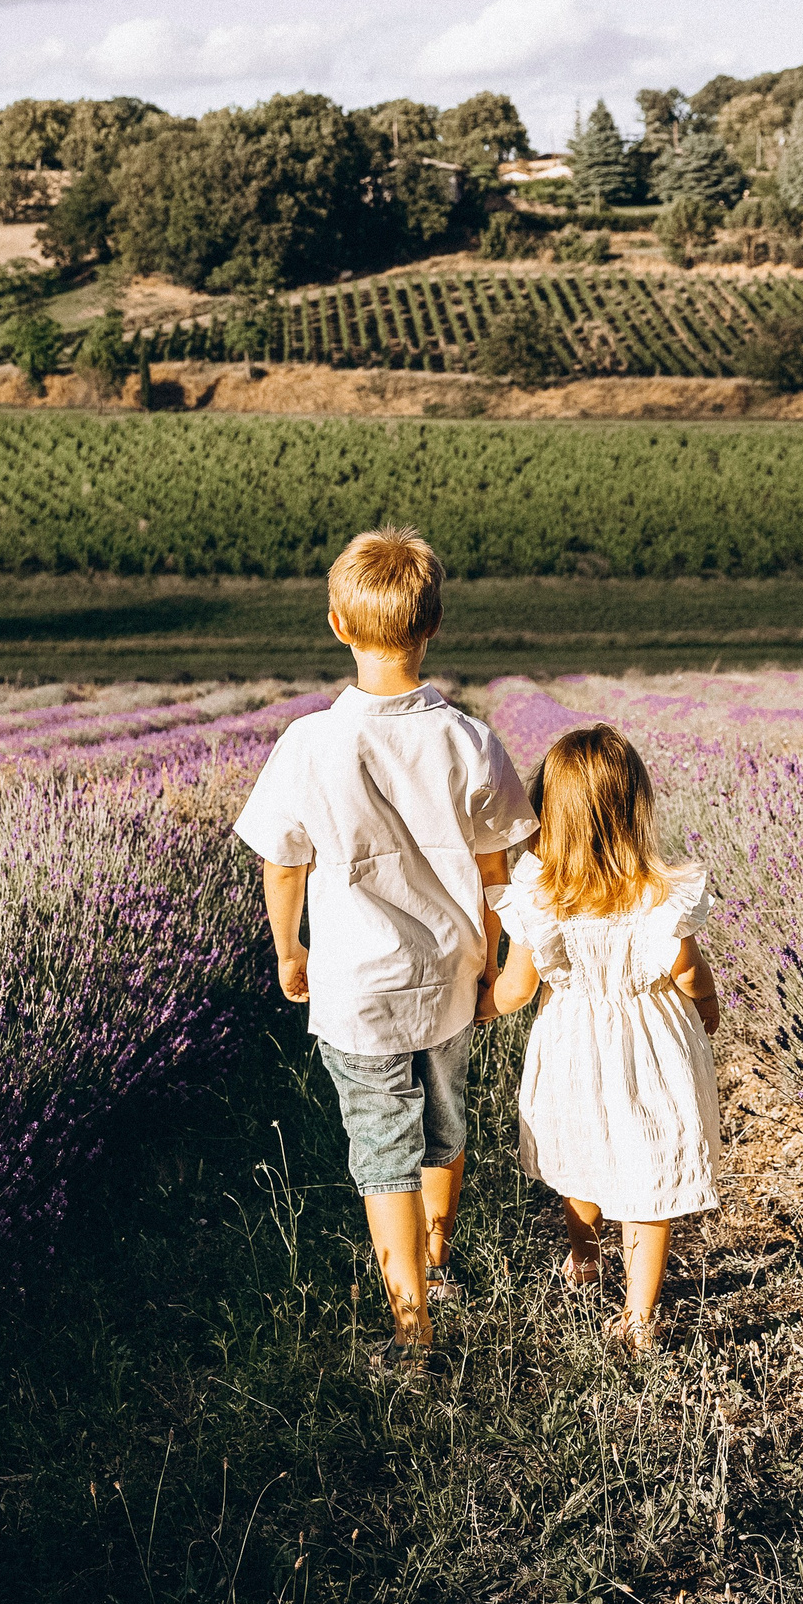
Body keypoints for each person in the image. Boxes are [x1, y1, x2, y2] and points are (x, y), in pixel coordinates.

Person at [234, 528, 536, 1380]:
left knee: (381, 1149)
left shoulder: (309, 744)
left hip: (356, 983)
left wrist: (289, 951)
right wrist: (494, 956)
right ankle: (440, 1261)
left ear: (337, 624)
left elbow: (282, 860)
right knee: (444, 1120)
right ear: (433, 626)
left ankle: (413, 1327)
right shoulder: (469, 740)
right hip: (448, 973)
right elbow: (495, 866)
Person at [479, 724, 722, 1354]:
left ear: (546, 810)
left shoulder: (541, 897)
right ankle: (640, 1316)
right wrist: (707, 1007)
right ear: (636, 807)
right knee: (649, 1171)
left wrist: (478, 1009)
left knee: (578, 1149)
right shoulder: (658, 895)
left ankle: (583, 1255)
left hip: (573, 1044)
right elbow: (688, 970)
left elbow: (517, 988)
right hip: (652, 1046)